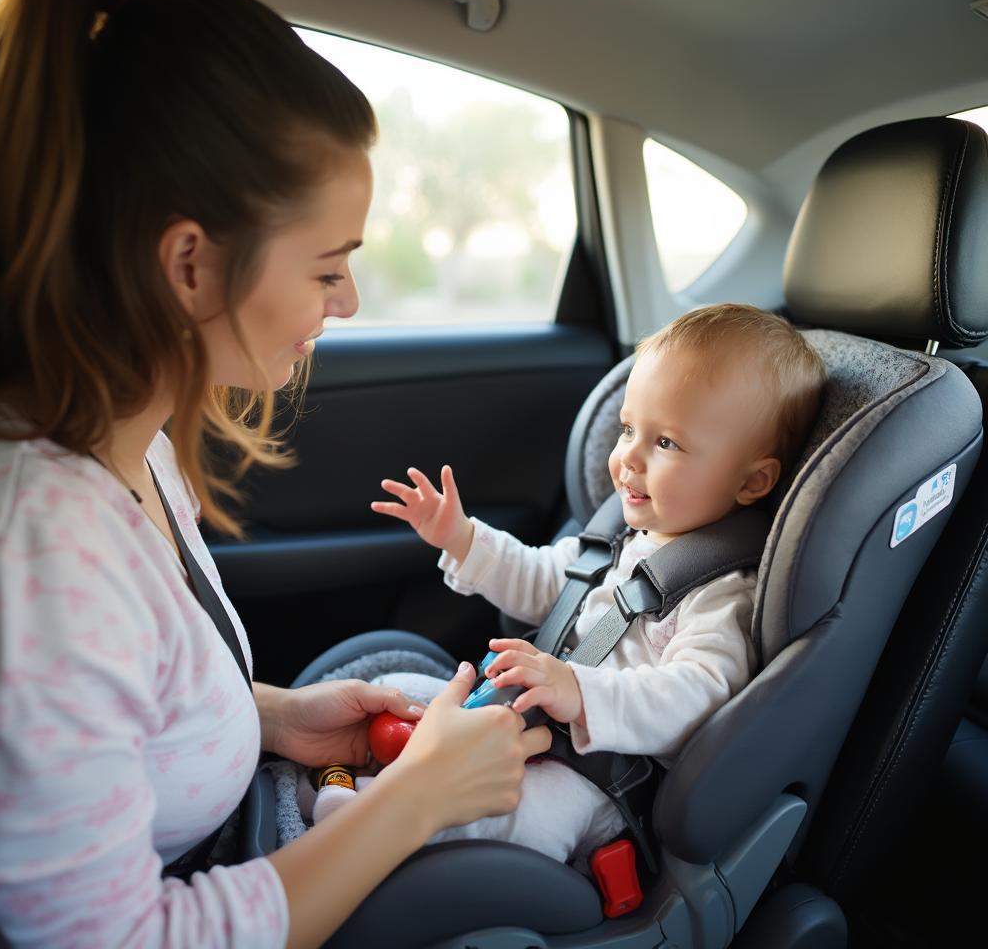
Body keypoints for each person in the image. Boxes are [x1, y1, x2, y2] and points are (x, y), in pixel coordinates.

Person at [0, 0, 550, 947]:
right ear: (189, 265)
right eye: (327, 268)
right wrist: (409, 802)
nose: (351, 299)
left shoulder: (120, 442)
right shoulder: (34, 552)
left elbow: (118, 713)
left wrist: (272, 717)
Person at [354, 303, 827, 864]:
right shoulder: (620, 540)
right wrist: (461, 538)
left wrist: (579, 692)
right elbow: (541, 580)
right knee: (405, 693)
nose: (627, 456)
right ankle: (357, 793)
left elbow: (698, 697)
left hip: (597, 777)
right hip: (527, 722)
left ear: (752, 481)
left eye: (667, 443)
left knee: (520, 819)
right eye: (629, 429)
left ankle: (361, 837)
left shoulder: (720, 591)